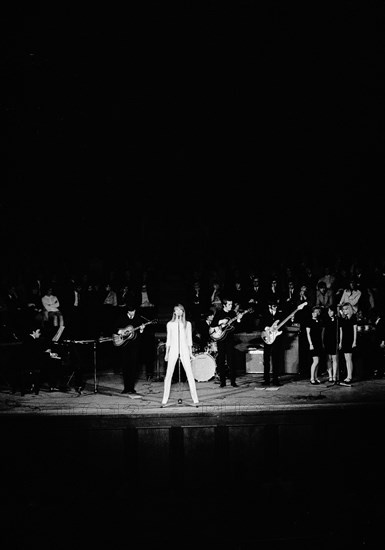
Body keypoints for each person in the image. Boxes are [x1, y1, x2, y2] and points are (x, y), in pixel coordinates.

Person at [161, 304, 199, 407]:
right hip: (173, 349)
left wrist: (190, 353)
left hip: (184, 349)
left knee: (189, 374)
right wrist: (167, 353)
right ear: (174, 312)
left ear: (183, 312)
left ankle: (195, 399)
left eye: (180, 310)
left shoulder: (187, 324)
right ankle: (164, 399)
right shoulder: (170, 324)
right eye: (176, 310)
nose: (178, 312)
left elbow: (189, 340)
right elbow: (168, 340)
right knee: (168, 374)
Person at [111, 300, 146, 397]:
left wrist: (142, 329)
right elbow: (113, 328)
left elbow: (140, 333)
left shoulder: (138, 318)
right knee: (125, 366)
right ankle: (126, 388)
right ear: (127, 311)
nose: (132, 313)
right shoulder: (121, 317)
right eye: (130, 312)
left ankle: (131, 388)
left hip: (134, 346)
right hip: (124, 345)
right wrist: (120, 331)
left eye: (133, 311)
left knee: (133, 366)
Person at [210, 298, 243, 388]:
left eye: (231, 304)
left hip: (230, 339)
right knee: (221, 360)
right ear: (224, 305)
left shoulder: (233, 314)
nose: (231, 306)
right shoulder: (219, 313)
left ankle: (233, 381)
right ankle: (222, 382)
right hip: (221, 339)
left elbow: (237, 328)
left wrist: (239, 320)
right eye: (229, 304)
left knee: (231, 360)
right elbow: (212, 325)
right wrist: (220, 322)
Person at [259, 300, 284, 387]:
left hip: (276, 339)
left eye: (276, 306)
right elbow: (260, 324)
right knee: (266, 360)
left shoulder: (280, 314)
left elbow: (283, 326)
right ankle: (266, 379)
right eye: (274, 306)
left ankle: (275, 379)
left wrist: (279, 329)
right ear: (269, 306)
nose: (275, 308)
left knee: (276, 359)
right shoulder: (265, 313)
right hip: (267, 338)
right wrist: (267, 328)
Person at [339, 302, 358, 384]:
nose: (344, 311)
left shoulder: (353, 318)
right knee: (346, 358)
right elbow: (341, 332)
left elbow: (355, 330)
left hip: (350, 339)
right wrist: (340, 342)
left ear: (349, 309)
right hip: (344, 340)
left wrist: (354, 341)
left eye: (346, 309)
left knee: (349, 359)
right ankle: (348, 375)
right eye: (343, 310)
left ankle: (349, 376)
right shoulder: (343, 319)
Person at [306, 306, 324, 385]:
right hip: (313, 343)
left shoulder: (319, 321)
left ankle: (316, 377)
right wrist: (310, 344)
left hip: (319, 342)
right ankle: (312, 378)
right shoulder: (309, 321)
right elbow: (308, 334)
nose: (315, 313)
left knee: (318, 361)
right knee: (315, 361)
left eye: (317, 312)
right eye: (314, 312)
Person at [323, 305, 339, 383]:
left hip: (334, 341)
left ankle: (334, 375)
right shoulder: (326, 320)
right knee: (328, 359)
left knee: (334, 359)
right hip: (327, 341)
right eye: (328, 311)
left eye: (331, 311)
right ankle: (330, 375)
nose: (329, 312)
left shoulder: (337, 320)